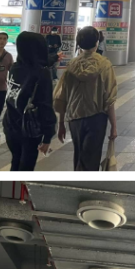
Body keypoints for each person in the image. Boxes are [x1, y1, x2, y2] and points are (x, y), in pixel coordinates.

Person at [53, 25, 118, 170]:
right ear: (97, 42)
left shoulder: (71, 65)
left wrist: (61, 123)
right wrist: (113, 126)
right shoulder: (105, 65)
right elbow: (109, 98)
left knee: (79, 158)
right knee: (91, 160)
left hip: (74, 118)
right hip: (96, 118)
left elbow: (61, 96)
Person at [3, 31, 57, 171]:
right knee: (26, 167)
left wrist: (54, 58)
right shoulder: (42, 74)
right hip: (29, 129)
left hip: (10, 125)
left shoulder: (15, 68)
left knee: (16, 160)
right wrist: (48, 136)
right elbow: (45, 106)